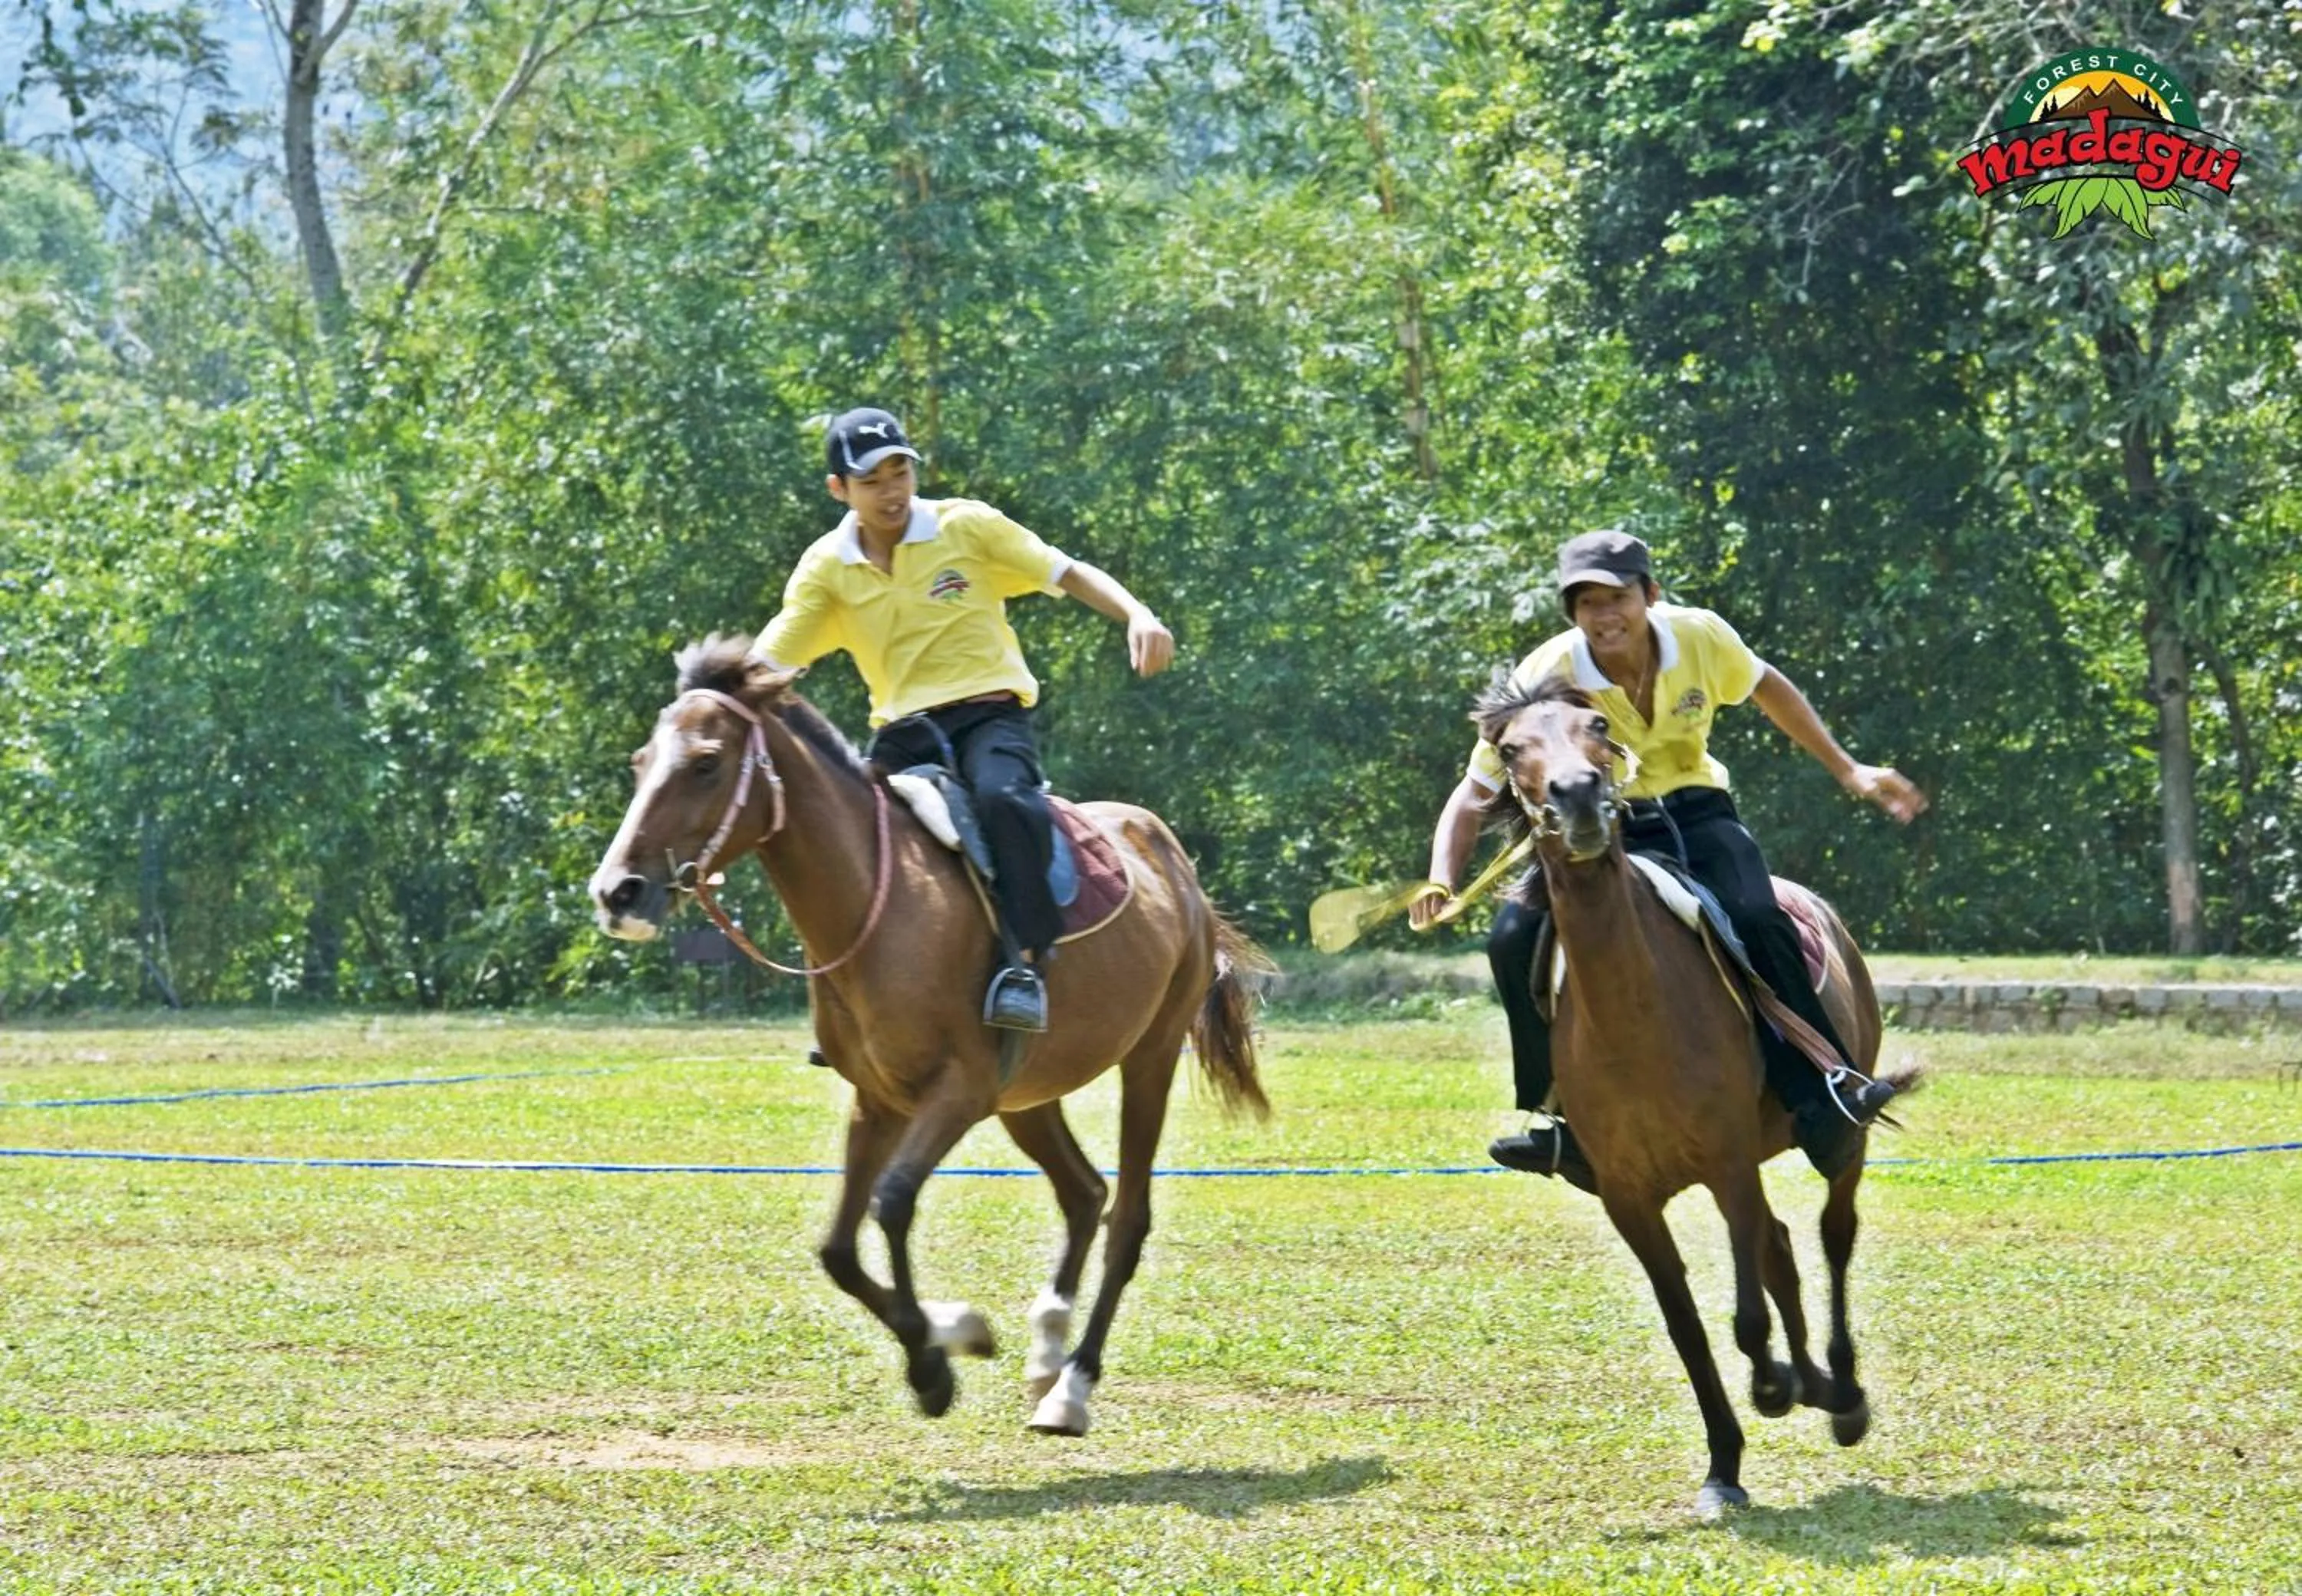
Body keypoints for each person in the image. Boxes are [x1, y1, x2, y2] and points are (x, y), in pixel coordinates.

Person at [1410, 528, 1928, 1181]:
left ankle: (1824, 1091)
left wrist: (1848, 770)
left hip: (1698, 811)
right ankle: (1564, 1120)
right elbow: (1475, 791)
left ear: (1650, 594)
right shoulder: (1546, 675)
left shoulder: (1702, 637)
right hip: (1603, 830)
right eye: (1586, 603)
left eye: (1617, 597)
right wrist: (1441, 876)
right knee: (1512, 937)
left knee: (1757, 914)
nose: (1604, 616)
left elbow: (1769, 688)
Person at [750, 407, 1174, 1031]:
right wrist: (711, 700)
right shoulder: (827, 568)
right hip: (903, 733)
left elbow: (1066, 570)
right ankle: (844, 1006)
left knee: (1005, 801)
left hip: (988, 716)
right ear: (838, 490)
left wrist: (1137, 614)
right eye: (872, 481)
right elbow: (773, 652)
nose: (892, 490)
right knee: (840, 836)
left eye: (901, 472)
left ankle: (1026, 966)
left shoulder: (967, 527)